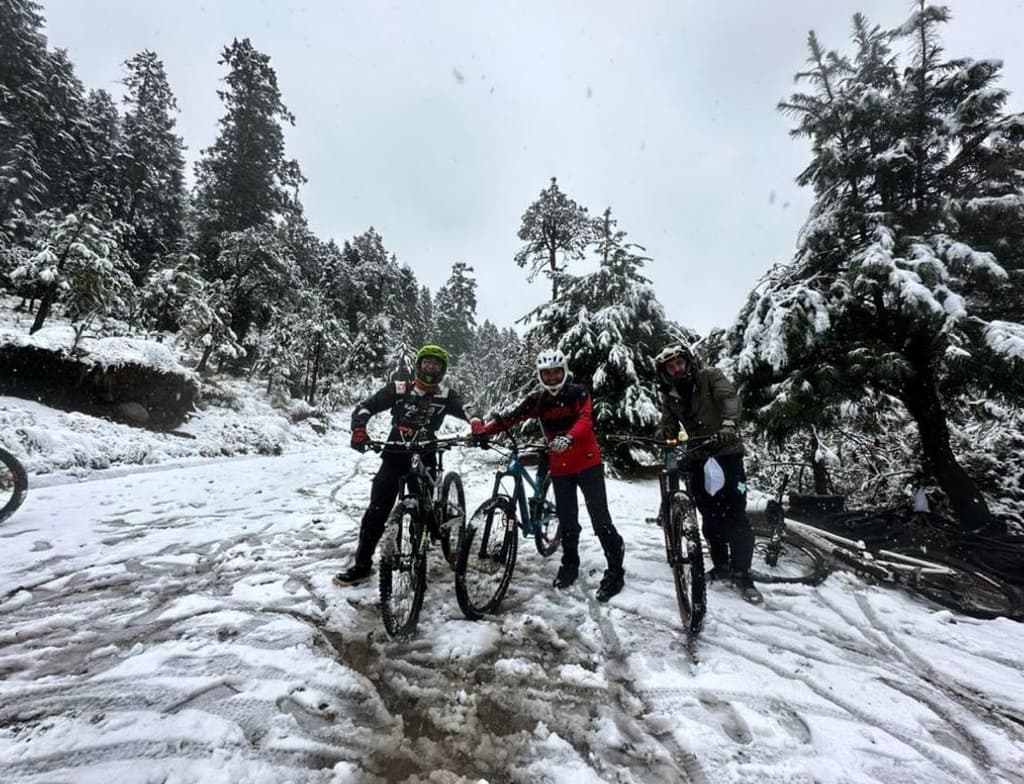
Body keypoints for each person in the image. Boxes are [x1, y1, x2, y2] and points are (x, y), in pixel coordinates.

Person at [475, 349, 625, 602]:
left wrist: (568, 437)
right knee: (567, 521)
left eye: (557, 372)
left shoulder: (578, 393)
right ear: (540, 375)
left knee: (600, 520)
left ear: (564, 372)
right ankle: (570, 564)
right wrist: (485, 431)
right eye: (547, 374)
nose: (553, 378)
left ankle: (615, 570)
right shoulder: (538, 400)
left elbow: (585, 420)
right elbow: (510, 418)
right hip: (560, 467)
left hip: (588, 464)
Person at [334, 344, 478, 585]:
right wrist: (359, 429)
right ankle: (362, 565)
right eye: (426, 363)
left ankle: (418, 556)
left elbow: (469, 409)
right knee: (376, 511)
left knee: (424, 507)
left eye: (436, 365)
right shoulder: (399, 389)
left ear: (442, 370)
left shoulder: (446, 395)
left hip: (426, 454)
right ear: (419, 365)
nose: (430, 368)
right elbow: (366, 407)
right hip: (395, 452)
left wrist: (476, 425)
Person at [653, 342, 762, 604]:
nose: (677, 369)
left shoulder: (710, 376)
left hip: (726, 453)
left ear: (688, 361)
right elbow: (668, 423)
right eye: (671, 366)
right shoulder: (671, 394)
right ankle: (722, 565)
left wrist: (728, 424)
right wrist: (662, 433)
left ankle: (743, 573)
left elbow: (729, 398)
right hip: (699, 456)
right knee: (709, 514)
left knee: (735, 513)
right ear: (665, 371)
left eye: (679, 363)